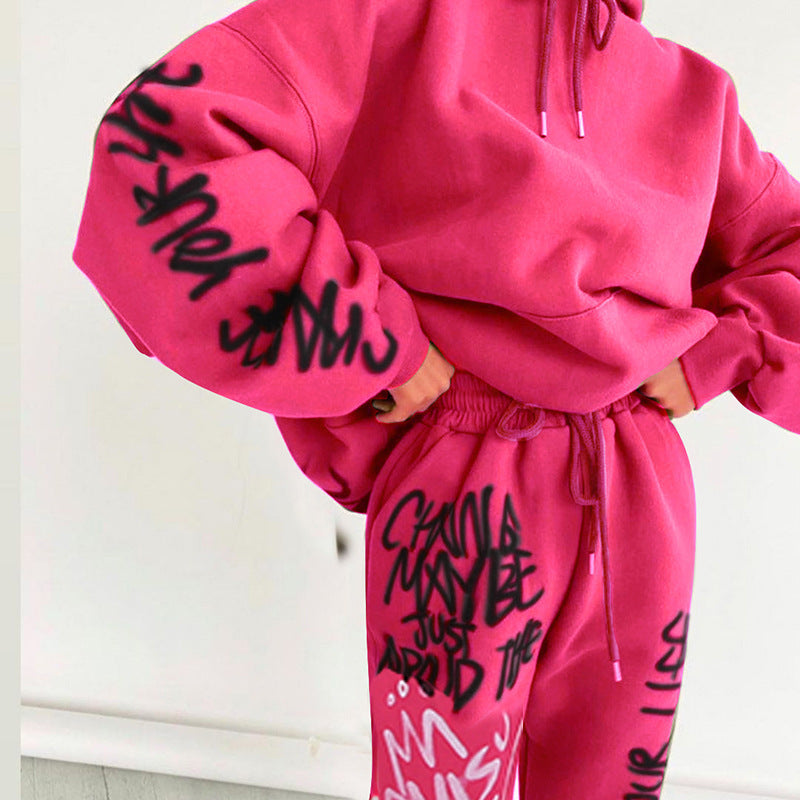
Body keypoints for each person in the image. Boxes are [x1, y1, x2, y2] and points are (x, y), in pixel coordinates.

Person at [71, 0, 800, 796]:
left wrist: (727, 352)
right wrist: (370, 340)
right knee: (439, 783)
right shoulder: (387, 19)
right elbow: (167, 143)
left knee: (616, 780)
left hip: (639, 486)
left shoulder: (689, 92)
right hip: (463, 492)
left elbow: (786, 243)